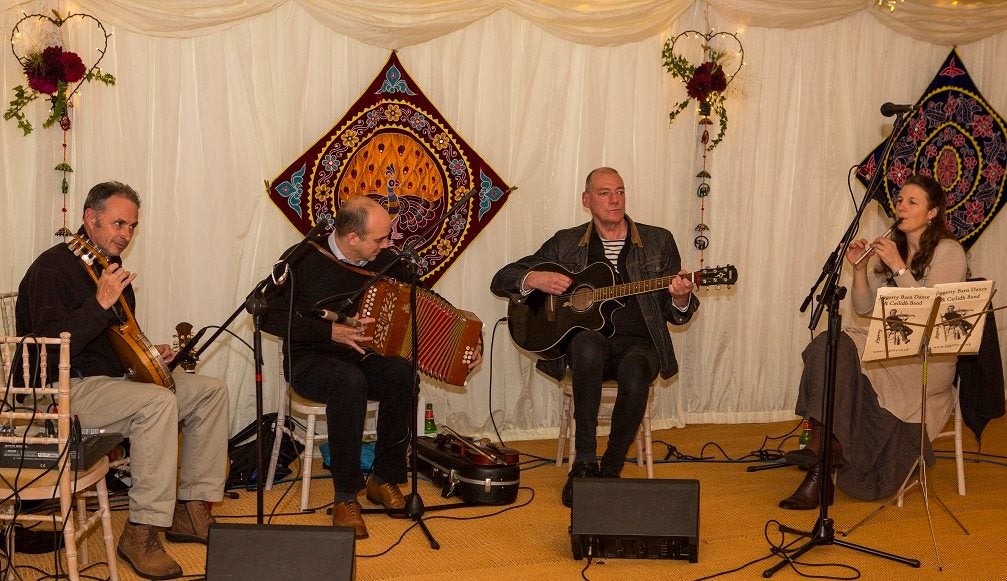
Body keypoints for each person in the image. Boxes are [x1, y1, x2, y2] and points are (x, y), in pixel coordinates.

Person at [16, 181, 230, 579]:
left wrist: (151, 356)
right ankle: (143, 530)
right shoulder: (53, 267)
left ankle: (191, 509)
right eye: (118, 223)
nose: (125, 234)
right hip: (61, 391)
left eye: (132, 227)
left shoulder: (108, 270)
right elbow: (45, 348)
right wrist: (99, 304)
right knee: (157, 403)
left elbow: (115, 344)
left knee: (209, 391)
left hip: (110, 383)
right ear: (90, 218)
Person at [261, 195, 481, 539]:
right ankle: (346, 496)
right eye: (380, 238)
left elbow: (424, 296)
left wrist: (467, 338)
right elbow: (266, 315)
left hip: (362, 356)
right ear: (352, 238)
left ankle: (384, 479)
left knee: (401, 376)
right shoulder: (302, 258)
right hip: (311, 358)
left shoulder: (387, 261)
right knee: (348, 383)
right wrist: (329, 331)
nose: (388, 244)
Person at [491, 167, 698, 507]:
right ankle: (584, 462)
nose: (614, 200)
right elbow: (502, 279)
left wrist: (679, 297)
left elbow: (677, 314)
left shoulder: (658, 240)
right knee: (587, 345)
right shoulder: (567, 242)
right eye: (604, 193)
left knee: (636, 370)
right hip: (589, 345)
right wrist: (536, 279)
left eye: (620, 191)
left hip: (639, 342)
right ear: (587, 200)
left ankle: (611, 469)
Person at [780, 173, 966, 509]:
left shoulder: (948, 252)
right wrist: (861, 269)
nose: (902, 207)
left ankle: (821, 456)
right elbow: (865, 309)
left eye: (913, 202)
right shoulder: (891, 249)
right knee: (829, 343)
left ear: (932, 213)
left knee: (840, 349)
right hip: (889, 348)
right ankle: (824, 451)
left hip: (927, 361)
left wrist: (898, 266)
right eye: (900, 200)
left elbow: (931, 316)